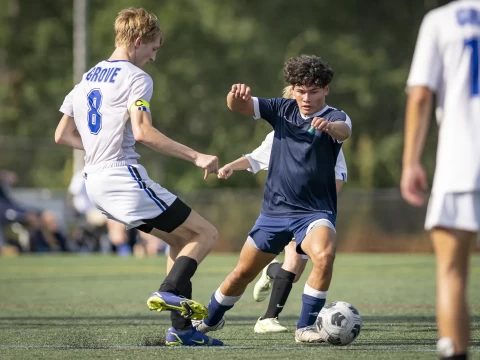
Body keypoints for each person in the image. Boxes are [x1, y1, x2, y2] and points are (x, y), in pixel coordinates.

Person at [55, 7, 222, 346]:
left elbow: (61, 134)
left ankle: (181, 330)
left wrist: (95, 150)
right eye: (154, 49)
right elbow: (143, 132)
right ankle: (167, 292)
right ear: (138, 40)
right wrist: (196, 155)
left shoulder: (87, 77)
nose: (153, 58)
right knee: (207, 233)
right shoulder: (135, 77)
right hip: (121, 176)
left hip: (95, 183)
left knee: (179, 240)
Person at [194, 54, 352, 343]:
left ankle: (304, 328)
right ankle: (210, 320)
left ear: (326, 89)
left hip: (314, 213)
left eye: (314, 91)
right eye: (300, 91)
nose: (306, 98)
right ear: (292, 89)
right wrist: (235, 97)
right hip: (274, 213)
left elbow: (345, 130)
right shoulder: (280, 109)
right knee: (242, 273)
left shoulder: (335, 117)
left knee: (325, 255)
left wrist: (329, 127)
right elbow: (240, 107)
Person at [401, 2, 480, 359]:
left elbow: (420, 95)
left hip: (462, 163)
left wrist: (411, 162)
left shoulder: (441, 20)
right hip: (460, 165)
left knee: (452, 274)